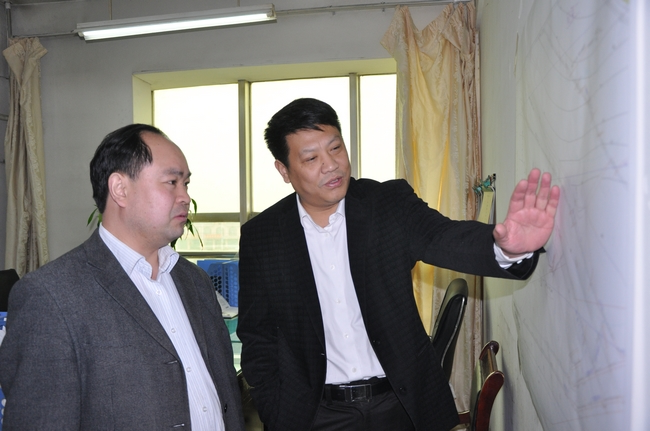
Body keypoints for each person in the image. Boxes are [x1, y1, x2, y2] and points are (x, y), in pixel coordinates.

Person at [236, 98, 560, 431]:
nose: (331, 165)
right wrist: (275, 410)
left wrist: (504, 248)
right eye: (311, 158)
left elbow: (442, 237)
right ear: (284, 170)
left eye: (335, 148)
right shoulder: (263, 236)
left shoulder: (387, 204)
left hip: (400, 406)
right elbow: (257, 335)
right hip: (317, 415)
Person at [0, 124, 246, 430]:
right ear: (120, 189)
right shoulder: (51, 297)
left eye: (186, 183)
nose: (185, 196)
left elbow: (225, 393)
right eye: (172, 182)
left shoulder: (194, 281)